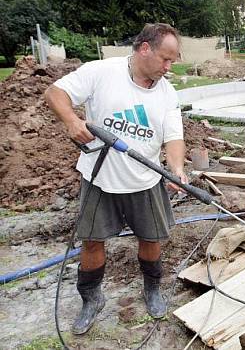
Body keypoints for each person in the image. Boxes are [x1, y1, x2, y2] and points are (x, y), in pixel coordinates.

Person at [44, 23, 186, 335]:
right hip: (99, 178)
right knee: (92, 241)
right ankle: (91, 299)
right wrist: (71, 120)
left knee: (151, 239)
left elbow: (174, 137)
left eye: (172, 61)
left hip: (145, 179)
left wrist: (176, 167)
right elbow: (54, 93)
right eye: (165, 59)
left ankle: (151, 290)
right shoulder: (101, 72)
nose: (168, 67)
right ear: (144, 48)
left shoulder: (167, 93)